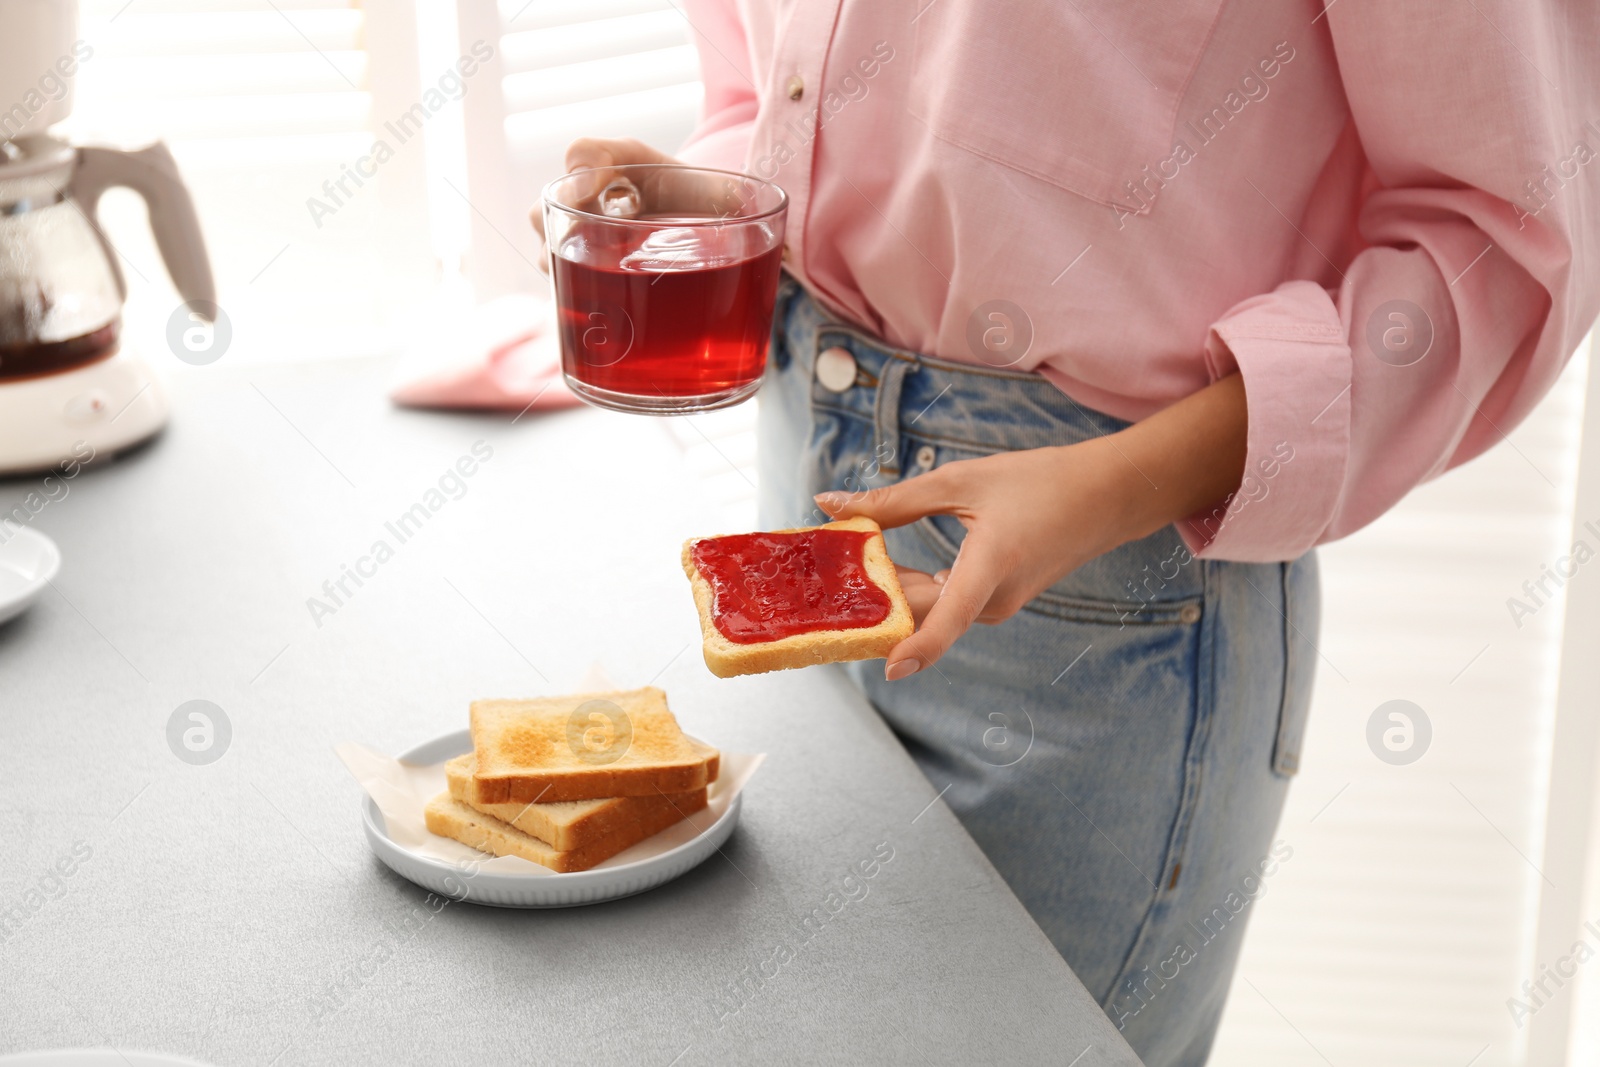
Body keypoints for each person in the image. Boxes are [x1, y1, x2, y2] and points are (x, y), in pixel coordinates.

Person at [534, 2, 1600, 1063]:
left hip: (1105, 590)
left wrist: (1102, 487)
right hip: (806, 489)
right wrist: (714, 198)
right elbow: (773, 90)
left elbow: (1508, 237)